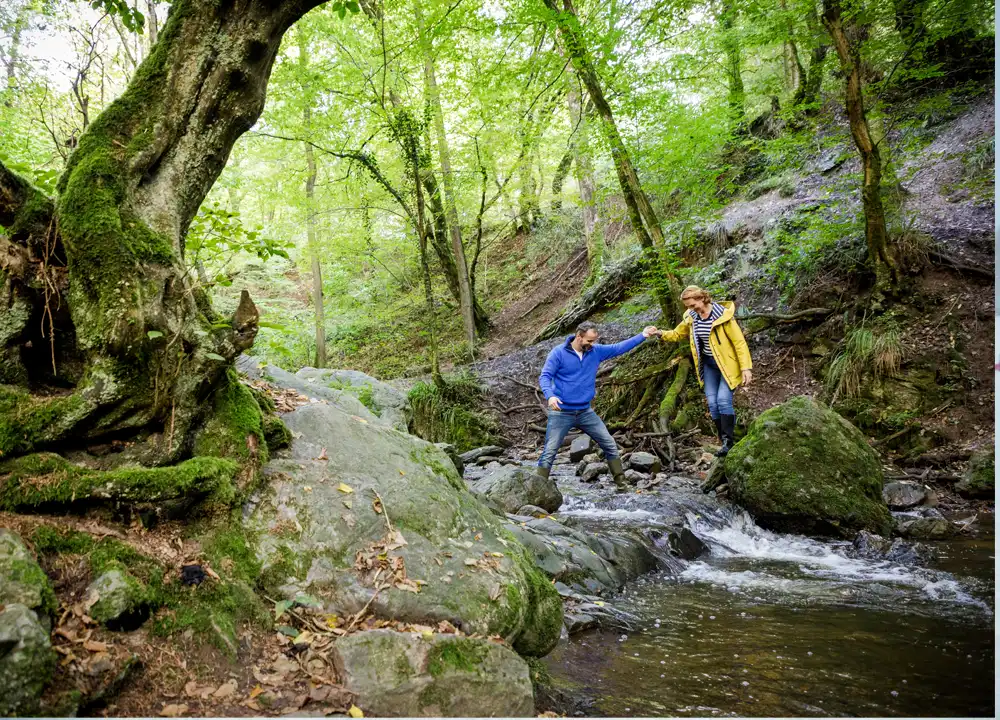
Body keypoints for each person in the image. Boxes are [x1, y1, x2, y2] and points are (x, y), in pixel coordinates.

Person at [536, 321, 660, 492]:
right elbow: (545, 376)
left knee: (609, 444)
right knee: (550, 451)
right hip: (561, 412)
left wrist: (643, 335)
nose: (592, 344)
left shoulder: (595, 351)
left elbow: (618, 348)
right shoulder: (558, 353)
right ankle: (535, 490)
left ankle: (622, 486)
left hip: (585, 411)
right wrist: (550, 397)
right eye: (589, 341)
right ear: (579, 336)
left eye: (594, 341)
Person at [656, 285, 752, 456]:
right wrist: (659, 333)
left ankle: (729, 442)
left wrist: (746, 368)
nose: (691, 309)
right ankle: (724, 442)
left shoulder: (723, 316)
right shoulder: (692, 317)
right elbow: (677, 334)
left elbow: (739, 343)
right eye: (688, 307)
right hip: (708, 365)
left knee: (723, 400)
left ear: (702, 299)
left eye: (693, 305)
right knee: (713, 404)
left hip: (727, 365)